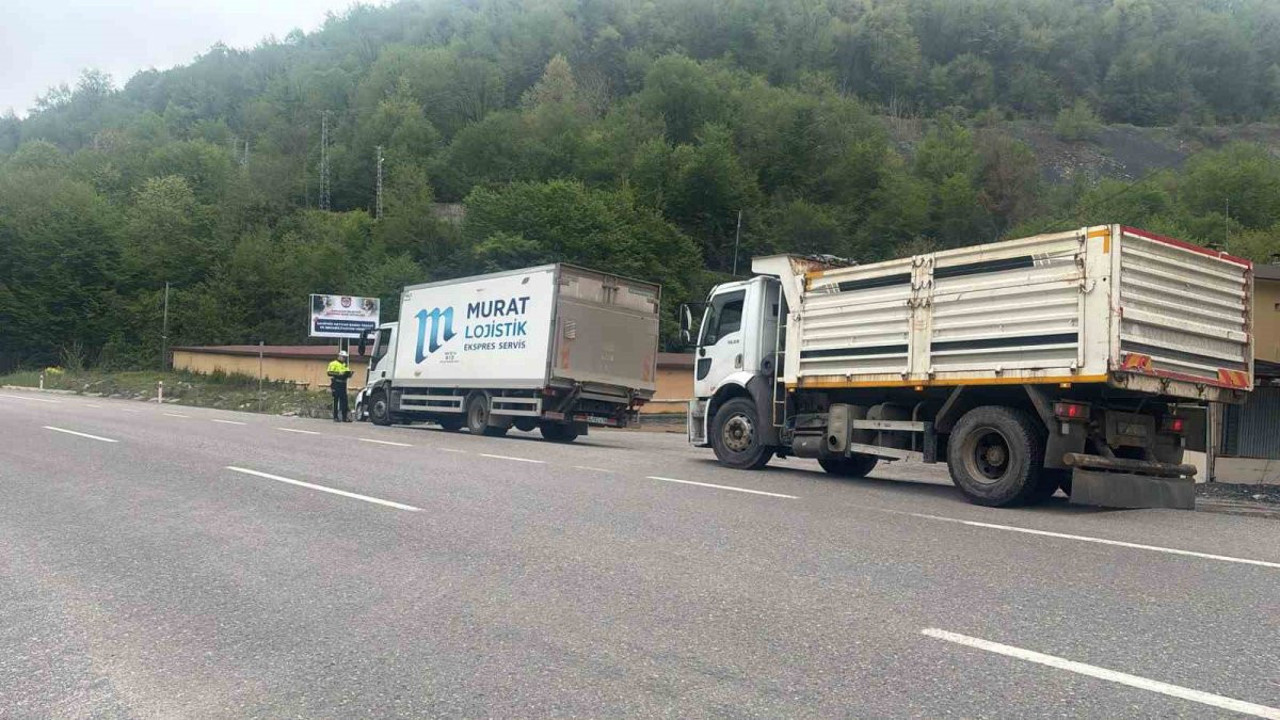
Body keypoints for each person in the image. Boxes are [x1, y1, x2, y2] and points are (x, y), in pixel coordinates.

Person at [327, 350, 354, 422]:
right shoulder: (333, 363)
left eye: (345, 357)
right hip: (336, 383)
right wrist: (339, 374)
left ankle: (344, 417)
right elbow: (329, 372)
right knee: (336, 400)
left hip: (343, 384)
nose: (344, 359)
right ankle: (335, 417)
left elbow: (346, 372)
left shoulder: (345, 365)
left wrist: (349, 374)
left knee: (344, 400)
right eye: (343, 357)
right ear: (339, 356)